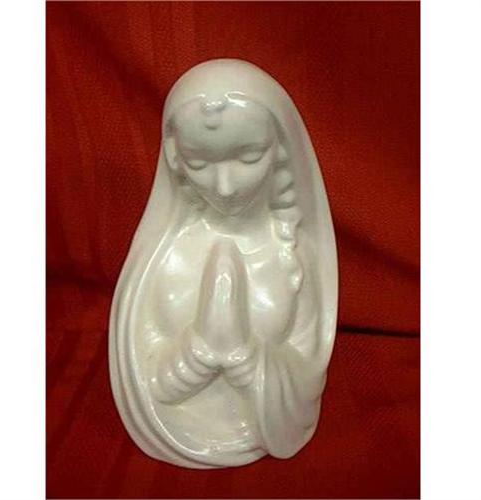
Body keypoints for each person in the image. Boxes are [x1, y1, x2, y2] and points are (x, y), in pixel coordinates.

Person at [110, 59, 338, 468]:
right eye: (199, 163)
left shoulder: (291, 255)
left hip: (259, 426)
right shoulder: (160, 260)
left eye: (248, 157)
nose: (225, 187)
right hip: (176, 428)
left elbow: (307, 369)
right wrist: (196, 355)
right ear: (175, 159)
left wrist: (248, 361)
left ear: (280, 150)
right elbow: (143, 377)